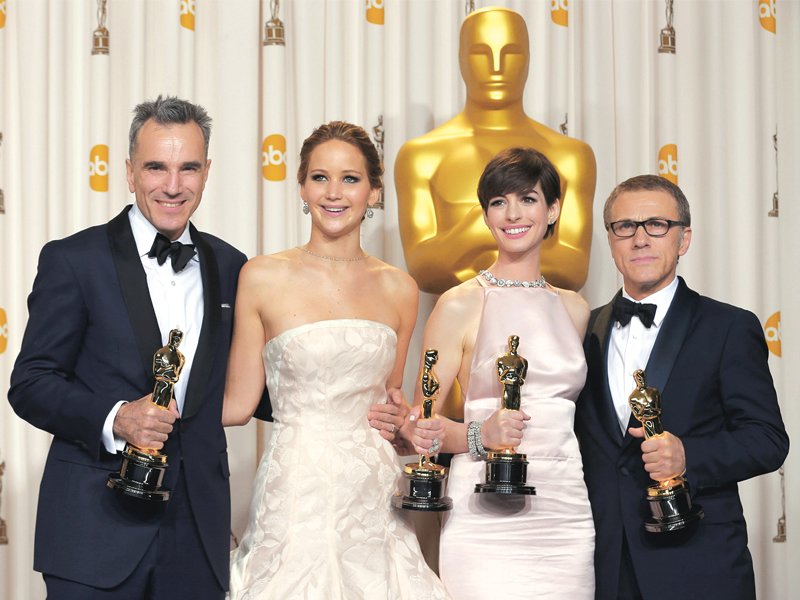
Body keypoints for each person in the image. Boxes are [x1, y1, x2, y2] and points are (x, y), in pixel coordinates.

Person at [7, 95, 264, 599]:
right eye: (156, 167)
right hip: (93, 534)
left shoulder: (234, 268)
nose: (173, 185)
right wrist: (116, 417)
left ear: (207, 172)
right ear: (128, 171)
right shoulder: (74, 260)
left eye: (188, 167)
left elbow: (253, 385)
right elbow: (31, 383)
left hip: (197, 537)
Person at [222, 121, 450, 599]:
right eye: (320, 177)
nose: (334, 193)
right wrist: (152, 401)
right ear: (302, 186)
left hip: (374, 489)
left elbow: (391, 403)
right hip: (295, 482)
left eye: (350, 179)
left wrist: (404, 422)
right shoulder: (261, 276)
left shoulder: (400, 288)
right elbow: (238, 404)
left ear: (373, 191)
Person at [575, 174, 790, 600]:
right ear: (611, 240)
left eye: (656, 224)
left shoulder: (728, 326)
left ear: (684, 238)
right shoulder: (582, 328)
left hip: (698, 565)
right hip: (603, 567)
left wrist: (687, 455)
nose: (640, 239)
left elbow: (767, 439)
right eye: (625, 227)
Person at [397, 147, 595, 599]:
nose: (513, 214)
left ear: (553, 210)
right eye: (498, 202)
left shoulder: (575, 308)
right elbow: (417, 430)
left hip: (565, 515)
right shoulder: (460, 303)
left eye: (527, 199)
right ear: (486, 216)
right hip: (484, 518)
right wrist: (479, 435)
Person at [395, 6, 596, 297]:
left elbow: (573, 268)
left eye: (511, 53)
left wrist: (472, 245)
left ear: (528, 60)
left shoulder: (571, 156)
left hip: (545, 328)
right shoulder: (421, 156)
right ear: (461, 60)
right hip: (458, 331)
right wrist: (489, 229)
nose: (497, 66)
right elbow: (423, 268)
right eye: (480, 53)